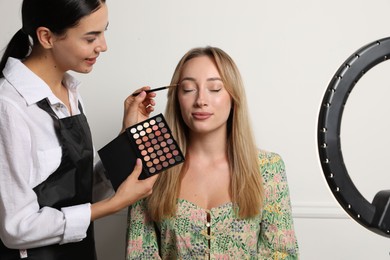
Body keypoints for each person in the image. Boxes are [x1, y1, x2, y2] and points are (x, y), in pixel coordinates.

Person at [0, 0, 158, 259]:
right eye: (90, 37)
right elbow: (15, 228)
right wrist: (113, 205)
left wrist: (126, 137)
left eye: (104, 31)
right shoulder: (9, 107)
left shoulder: (71, 94)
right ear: (46, 37)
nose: (103, 46)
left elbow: (80, 191)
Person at [126, 46, 300, 259]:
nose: (201, 100)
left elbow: (282, 253)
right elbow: (139, 254)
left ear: (233, 97)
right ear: (176, 97)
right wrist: (132, 137)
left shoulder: (268, 168)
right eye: (189, 89)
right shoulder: (154, 167)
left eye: (215, 89)